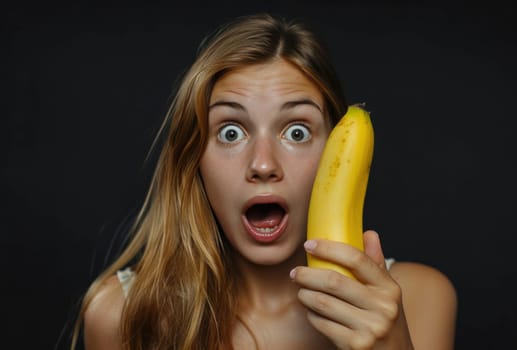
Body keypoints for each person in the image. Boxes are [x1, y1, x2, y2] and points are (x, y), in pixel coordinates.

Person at [73, 13, 457, 350]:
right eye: (230, 133)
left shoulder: (417, 299)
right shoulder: (121, 314)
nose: (262, 164)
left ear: (337, 154)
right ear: (193, 159)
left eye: (296, 132)